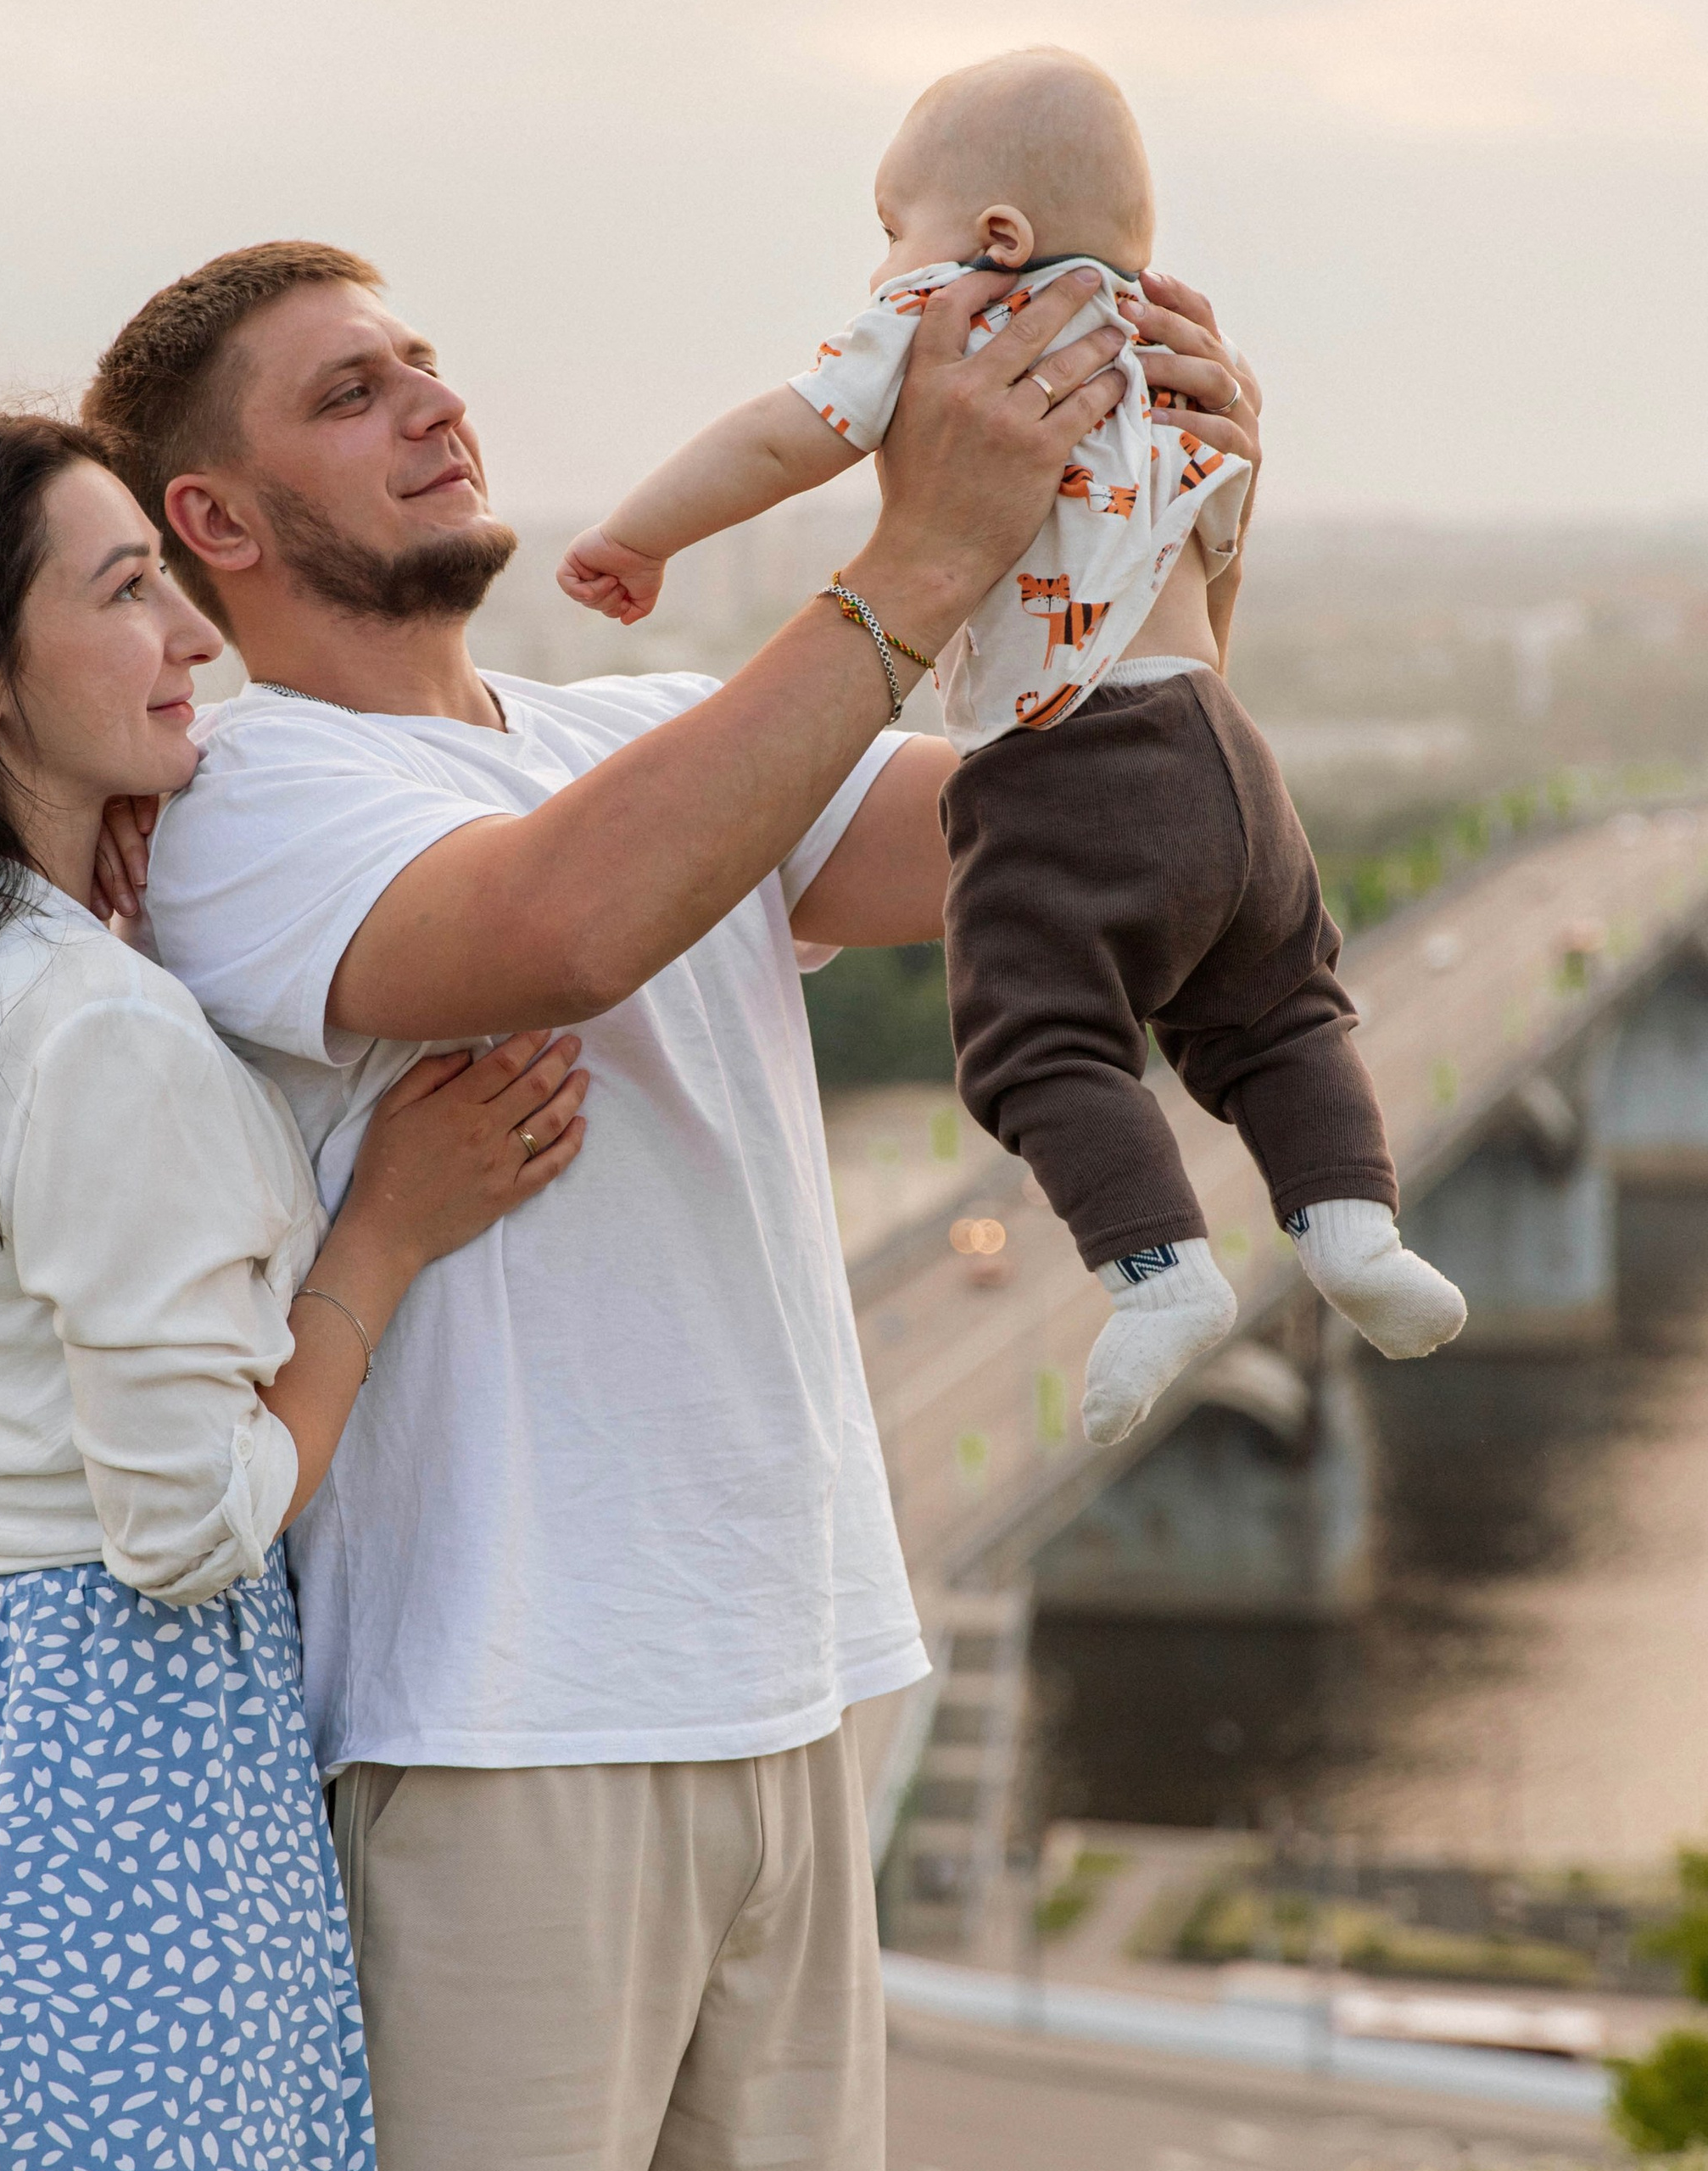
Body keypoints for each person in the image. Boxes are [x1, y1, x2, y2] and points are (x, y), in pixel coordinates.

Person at [79, 232, 1251, 2170]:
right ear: (213, 516)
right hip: (498, 1723)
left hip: (796, 1682)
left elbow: (1111, 852)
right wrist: (911, 558)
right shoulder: (236, 794)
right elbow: (558, 924)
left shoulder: (628, 730)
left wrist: (1176, 524)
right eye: (349, 393)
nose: (432, 403)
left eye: (423, 361)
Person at [0, 412, 588, 2171]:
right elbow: (182, 1522)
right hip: (125, 1783)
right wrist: (383, 1233)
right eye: (129, 590)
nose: (193, 635)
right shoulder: (88, 1023)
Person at [560, 48, 1466, 1453]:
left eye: (888, 224)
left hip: (1068, 760)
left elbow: (781, 440)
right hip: (1226, 757)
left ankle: (1156, 1272)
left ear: (990, 238)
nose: (881, 261)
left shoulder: (949, 319)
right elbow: (1210, 565)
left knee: (1036, 1036)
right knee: (1281, 1006)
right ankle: (1354, 1229)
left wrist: (640, 534)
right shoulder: (1166, 352)